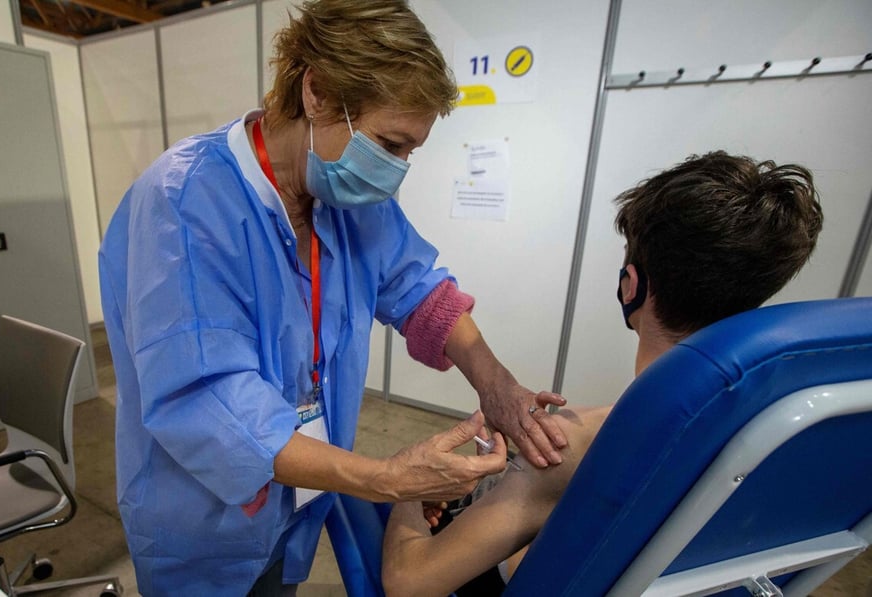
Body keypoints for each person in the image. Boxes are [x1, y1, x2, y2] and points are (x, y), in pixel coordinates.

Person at [98, 1, 567, 594]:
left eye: (410, 153)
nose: (396, 172)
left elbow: (420, 291)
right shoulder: (186, 203)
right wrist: (388, 479)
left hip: (300, 492)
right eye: (389, 144)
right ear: (316, 92)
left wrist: (495, 383)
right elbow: (210, 404)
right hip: (203, 517)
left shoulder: (346, 198)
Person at [382, 151, 824, 597]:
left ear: (630, 285)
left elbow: (410, 582)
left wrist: (409, 498)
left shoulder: (577, 443)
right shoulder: (787, 428)